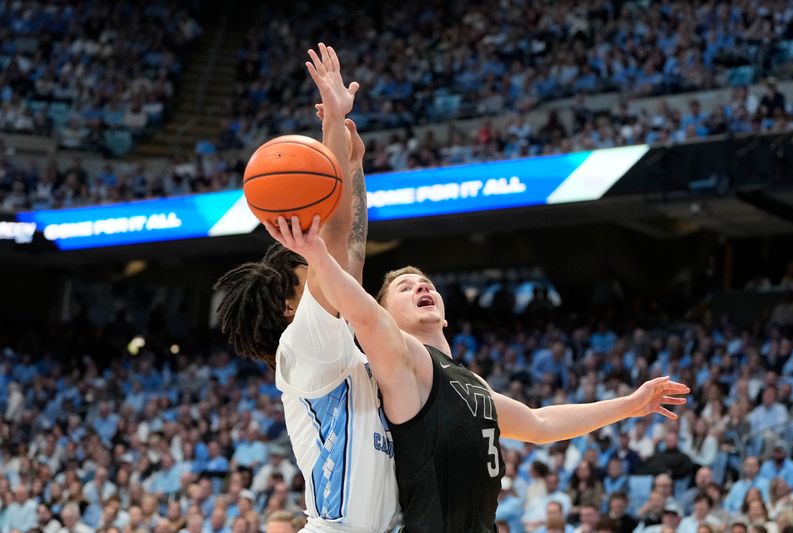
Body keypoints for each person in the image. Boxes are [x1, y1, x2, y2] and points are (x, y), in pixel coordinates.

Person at [265, 216, 691, 531]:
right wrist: (318, 256)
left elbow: (541, 424)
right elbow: (364, 317)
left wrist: (631, 405)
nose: (421, 287)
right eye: (405, 287)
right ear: (388, 317)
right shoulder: (402, 361)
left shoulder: (471, 382)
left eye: (426, 283)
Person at [214, 43, 398, 532]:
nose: (326, 274)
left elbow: (352, 251)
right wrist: (332, 126)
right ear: (289, 306)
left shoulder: (336, 348)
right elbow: (335, 237)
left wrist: (354, 169)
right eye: (311, 275)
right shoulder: (305, 347)